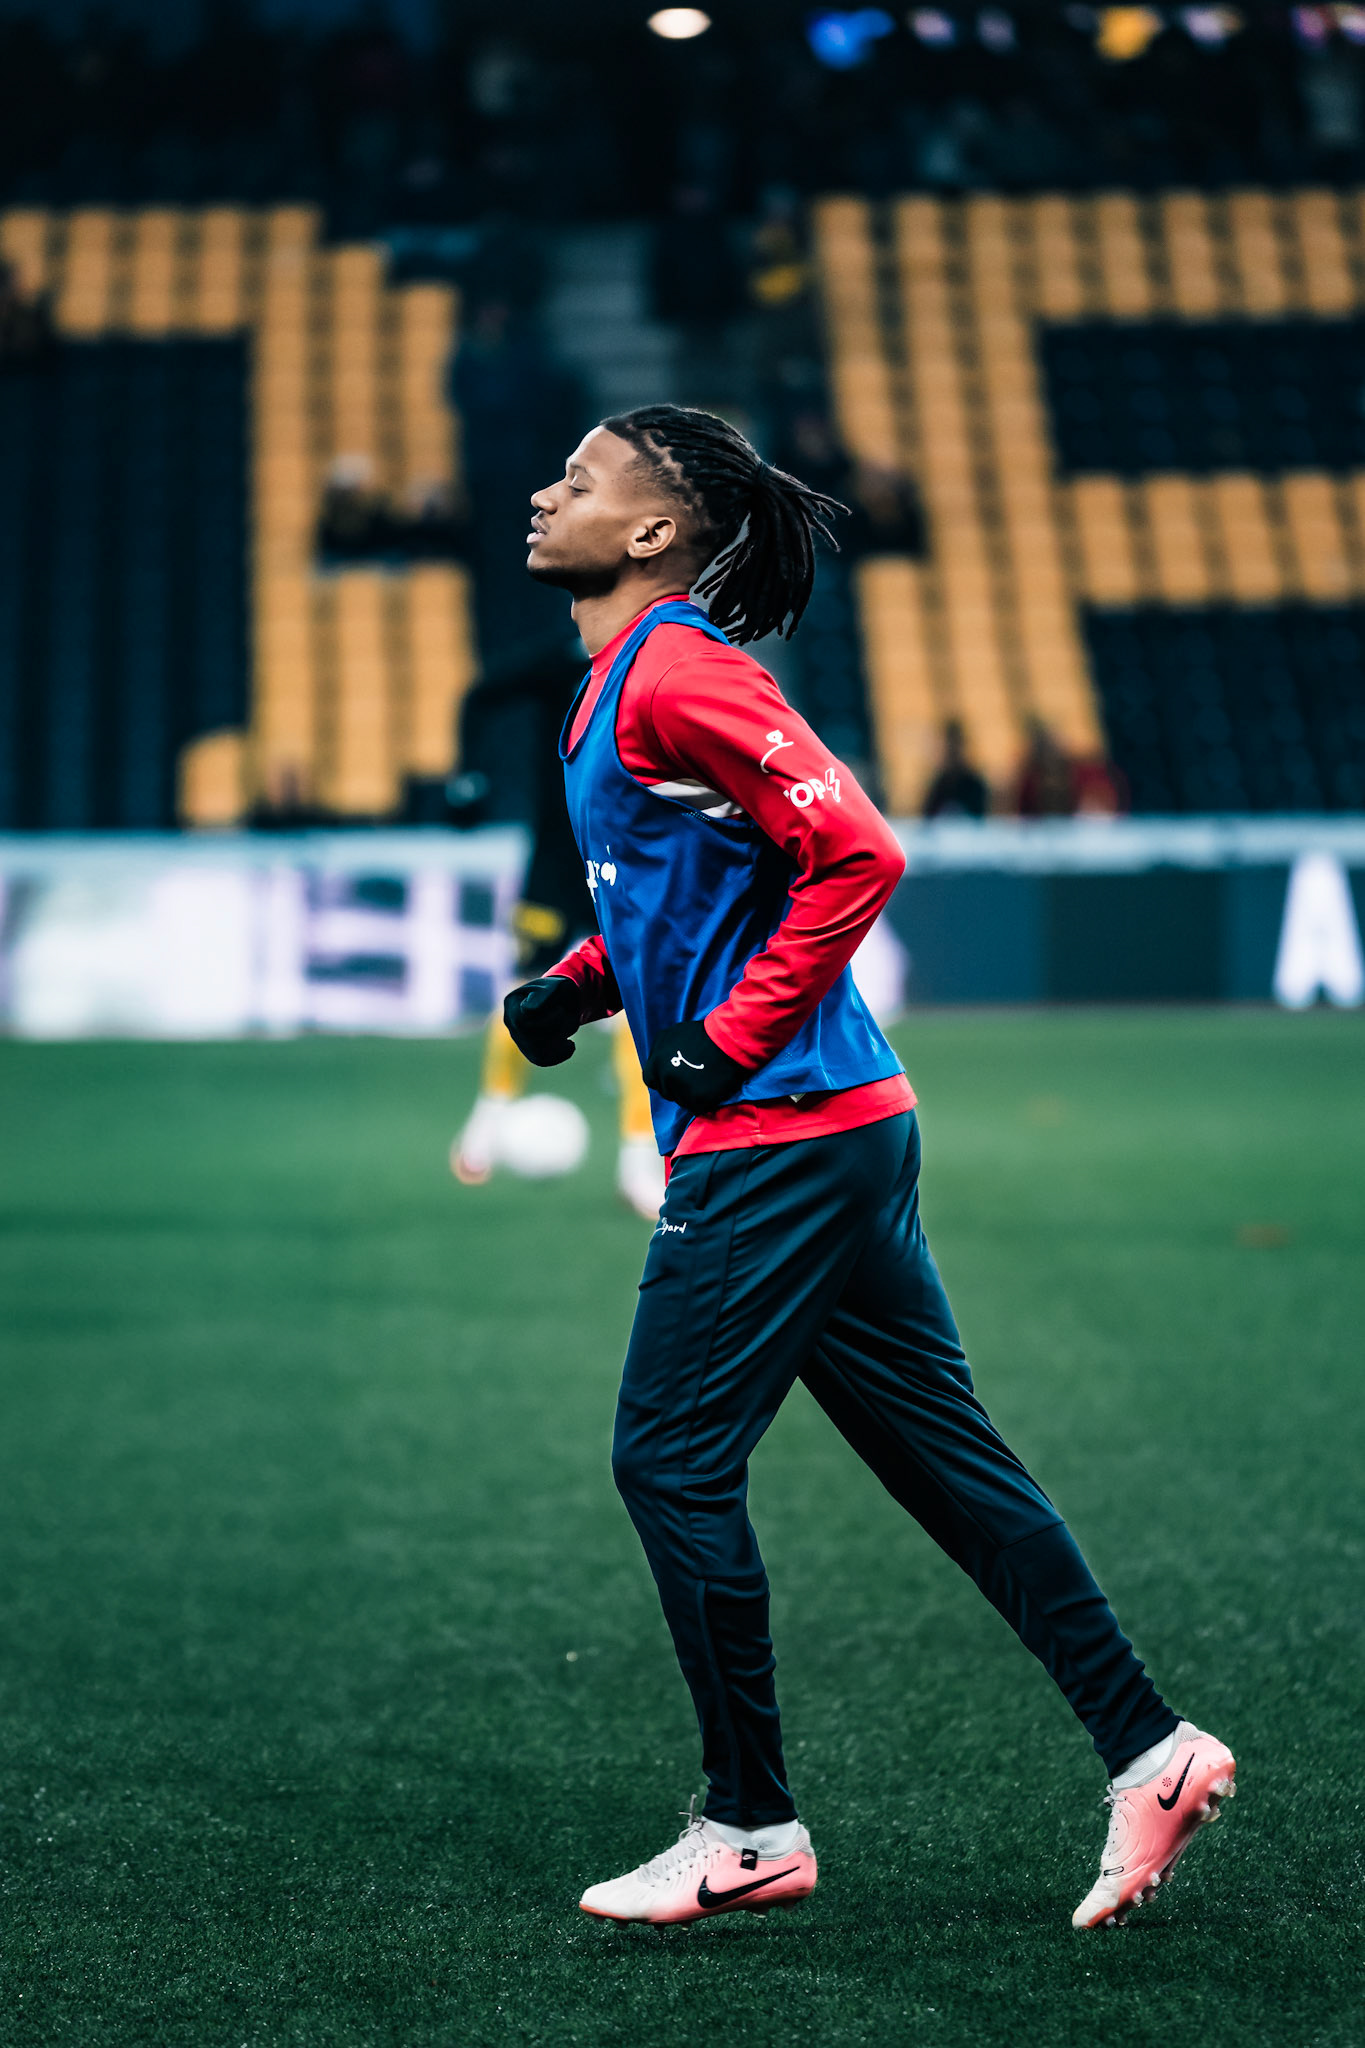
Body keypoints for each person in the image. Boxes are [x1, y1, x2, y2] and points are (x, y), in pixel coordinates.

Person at [502, 403, 1235, 1932]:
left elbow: (858, 852)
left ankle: (749, 1825)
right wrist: (579, 986)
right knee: (949, 1464)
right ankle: (1151, 1751)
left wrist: (726, 1042)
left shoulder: (681, 670)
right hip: (835, 1128)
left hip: (780, 1139)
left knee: (668, 1460)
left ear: (653, 532)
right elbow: (695, 893)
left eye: (578, 481)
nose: (543, 495)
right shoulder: (618, 683)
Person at [450, 632, 663, 1218]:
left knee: (636, 1015)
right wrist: (468, 777)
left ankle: (637, 1162)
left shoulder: (654, 669)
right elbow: (481, 694)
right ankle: (486, 1121)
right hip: (552, 861)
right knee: (524, 991)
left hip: (617, 860)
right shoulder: (566, 664)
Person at [922, 717, 990, 820]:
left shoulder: (975, 784)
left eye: (956, 746)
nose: (952, 751)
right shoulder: (938, 784)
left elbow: (980, 819)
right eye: (949, 747)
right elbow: (928, 818)